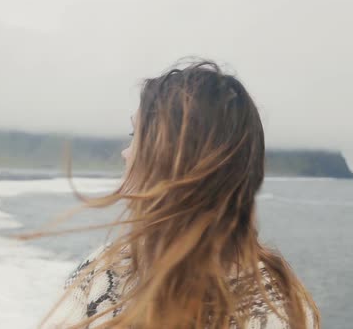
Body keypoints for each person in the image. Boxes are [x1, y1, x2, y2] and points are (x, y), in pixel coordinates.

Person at [41, 60, 320, 328]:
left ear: (173, 157)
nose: (125, 154)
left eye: (135, 136)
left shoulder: (272, 308)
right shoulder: (105, 267)